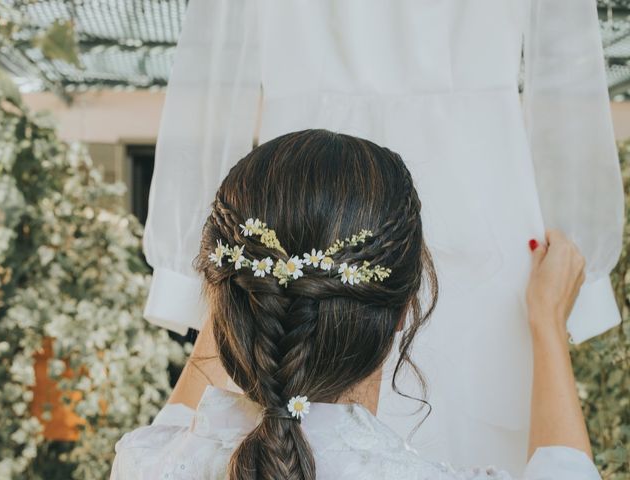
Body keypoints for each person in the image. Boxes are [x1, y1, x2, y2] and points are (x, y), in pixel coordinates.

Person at [141, 1, 624, 472]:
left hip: (293, 189)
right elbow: (567, 69)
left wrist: (235, 278)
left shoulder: (149, 460)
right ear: (408, 306)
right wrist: (555, 313)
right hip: (480, 189)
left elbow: (212, 69)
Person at [111, 129, 601, 479]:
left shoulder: (144, 463)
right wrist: (548, 323)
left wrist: (243, 284)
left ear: (223, 296)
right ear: (407, 307)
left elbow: (179, 419)